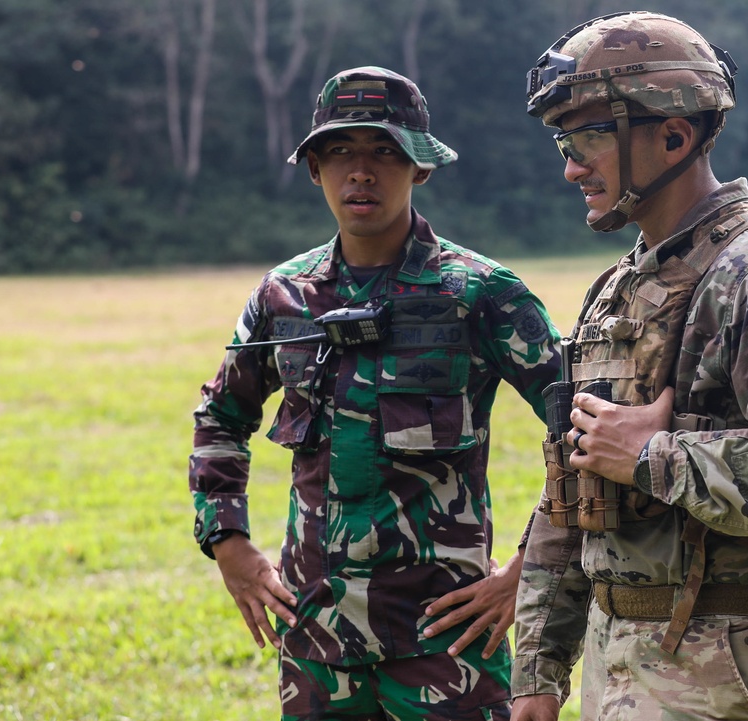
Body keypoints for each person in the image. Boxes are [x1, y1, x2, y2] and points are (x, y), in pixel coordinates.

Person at [512, 12, 748, 721]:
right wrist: (538, 667)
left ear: (674, 136)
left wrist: (653, 455)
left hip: (725, 670)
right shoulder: (621, 284)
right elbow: (572, 483)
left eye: (589, 137)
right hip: (618, 661)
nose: (570, 165)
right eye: (564, 140)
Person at [188, 66, 562, 721]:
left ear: (419, 166)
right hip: (316, 638)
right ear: (314, 169)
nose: (361, 171)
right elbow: (221, 416)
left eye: (385, 151)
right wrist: (230, 544)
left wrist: (528, 568)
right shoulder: (285, 297)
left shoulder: (479, 294)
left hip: (448, 639)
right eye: (340, 152)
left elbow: (580, 425)